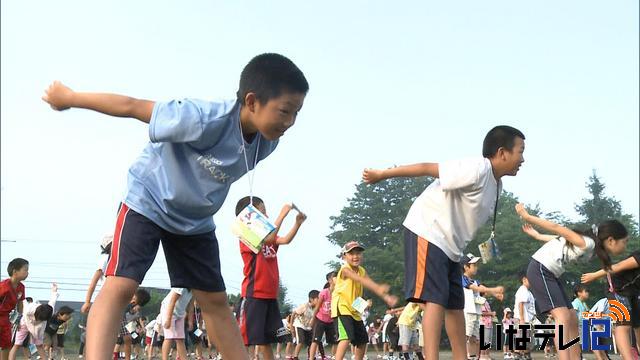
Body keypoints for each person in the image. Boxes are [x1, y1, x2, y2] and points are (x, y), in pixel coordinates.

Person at [42, 53, 308, 360]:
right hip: (150, 198)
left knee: (215, 301)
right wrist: (71, 97)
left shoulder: (266, 141)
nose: (289, 122)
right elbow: (133, 106)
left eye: (296, 114)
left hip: (195, 220)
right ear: (252, 101)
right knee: (122, 284)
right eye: (285, 111)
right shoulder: (203, 118)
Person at [363, 125, 525, 359]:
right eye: (520, 151)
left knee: (454, 304)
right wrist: (382, 174)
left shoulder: (496, 185)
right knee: (435, 299)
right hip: (428, 230)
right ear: (502, 152)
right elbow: (428, 168)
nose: (523, 158)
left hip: (452, 247)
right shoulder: (478, 168)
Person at [516, 206, 625, 360]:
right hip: (540, 269)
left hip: (552, 274)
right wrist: (527, 217)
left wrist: (538, 236)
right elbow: (558, 228)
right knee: (562, 316)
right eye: (624, 242)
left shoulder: (592, 248)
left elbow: (559, 240)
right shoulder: (588, 243)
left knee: (572, 316)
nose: (625, 246)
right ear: (611, 240)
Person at [235, 197, 306, 360]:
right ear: (249, 216)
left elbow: (284, 240)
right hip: (254, 294)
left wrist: (297, 223)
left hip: (269, 295)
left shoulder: (269, 236)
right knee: (246, 339)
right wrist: (282, 214)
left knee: (266, 339)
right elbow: (268, 237)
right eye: (262, 211)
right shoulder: (246, 233)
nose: (266, 214)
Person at [580, 221, 638, 359]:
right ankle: (628, 357)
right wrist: (594, 275)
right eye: (625, 241)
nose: (626, 244)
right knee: (623, 323)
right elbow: (617, 266)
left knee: (637, 326)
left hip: (634, 293)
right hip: (617, 287)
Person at [332, 241, 398, 360]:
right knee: (345, 337)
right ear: (344, 256)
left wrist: (387, 297)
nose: (355, 256)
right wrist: (378, 287)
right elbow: (359, 279)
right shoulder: (344, 269)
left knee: (362, 340)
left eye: (358, 253)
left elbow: (370, 283)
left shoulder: (361, 270)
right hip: (342, 308)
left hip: (354, 308)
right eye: (351, 254)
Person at [461, 253, 504, 359]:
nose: (476, 267)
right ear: (466, 267)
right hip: (468, 312)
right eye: (473, 265)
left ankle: (473, 357)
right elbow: (477, 289)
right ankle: (461, 356)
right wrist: (494, 290)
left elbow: (482, 288)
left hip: (476, 313)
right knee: (466, 336)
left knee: (475, 338)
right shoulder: (463, 278)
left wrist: (495, 294)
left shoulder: (475, 281)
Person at [9, 283, 58, 360]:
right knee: (17, 344)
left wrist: (54, 291)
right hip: (25, 323)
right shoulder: (30, 308)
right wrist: (17, 322)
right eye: (41, 318)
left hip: (38, 328)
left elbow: (53, 301)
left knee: (39, 345)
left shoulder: (49, 310)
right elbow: (21, 310)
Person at [0, 258, 29, 360]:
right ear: (15, 271)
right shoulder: (3, 286)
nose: (27, 272)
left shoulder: (21, 287)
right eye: (25, 270)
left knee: (6, 344)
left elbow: (20, 303)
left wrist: (19, 318)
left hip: (6, 318)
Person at [309, 271, 338, 360]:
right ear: (329, 280)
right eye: (335, 277)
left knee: (335, 341)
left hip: (331, 321)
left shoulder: (338, 292)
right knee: (316, 340)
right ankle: (311, 358)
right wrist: (313, 319)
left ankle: (334, 356)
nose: (337, 278)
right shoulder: (324, 292)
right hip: (320, 319)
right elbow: (317, 307)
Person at [116, 289, 151, 360]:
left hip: (124, 322)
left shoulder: (135, 308)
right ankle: (115, 356)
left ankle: (127, 357)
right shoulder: (127, 298)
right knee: (121, 341)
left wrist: (142, 328)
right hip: (117, 318)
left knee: (128, 339)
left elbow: (138, 318)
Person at [159, 288, 194, 360]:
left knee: (180, 338)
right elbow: (172, 301)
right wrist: (168, 320)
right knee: (169, 337)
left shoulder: (193, 290)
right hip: (168, 311)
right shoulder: (181, 287)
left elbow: (191, 306)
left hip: (180, 314)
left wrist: (190, 321)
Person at [81, 235, 113, 314]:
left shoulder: (119, 259)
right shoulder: (105, 259)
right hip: (106, 296)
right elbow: (94, 281)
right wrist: (87, 301)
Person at [512, 272, 535, 360]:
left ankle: (526, 354)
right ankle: (518, 354)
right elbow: (520, 304)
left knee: (527, 337)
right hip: (522, 318)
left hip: (527, 319)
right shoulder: (522, 290)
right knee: (521, 337)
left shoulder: (528, 291)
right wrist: (521, 318)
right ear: (524, 279)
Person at [292, 291, 319, 360]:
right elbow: (294, 313)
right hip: (299, 325)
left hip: (308, 327)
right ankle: (295, 357)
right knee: (301, 341)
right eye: (317, 298)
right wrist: (291, 326)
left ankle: (310, 357)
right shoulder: (305, 306)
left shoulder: (316, 308)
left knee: (311, 342)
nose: (319, 300)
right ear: (311, 299)